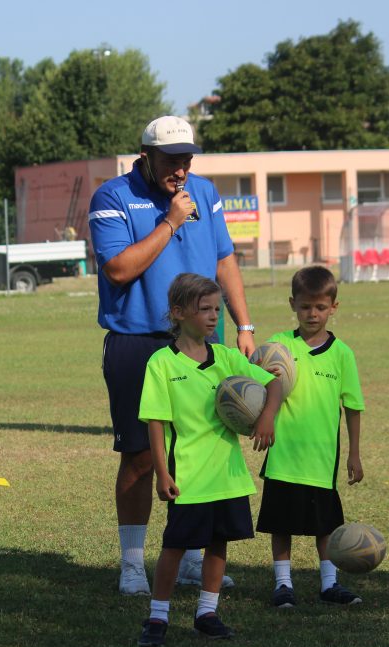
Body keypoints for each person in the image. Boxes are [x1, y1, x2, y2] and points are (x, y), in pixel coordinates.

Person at [89, 115, 257, 595]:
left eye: (186, 161)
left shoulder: (205, 192)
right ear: (145, 156)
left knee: (197, 451)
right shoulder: (112, 197)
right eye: (170, 161)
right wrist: (170, 221)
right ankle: (131, 564)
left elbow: (224, 258)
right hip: (139, 343)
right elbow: (119, 270)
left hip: (202, 342)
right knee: (141, 456)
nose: (180, 171)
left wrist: (243, 324)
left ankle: (185, 554)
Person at [136, 273, 282, 647]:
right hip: (188, 475)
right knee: (175, 546)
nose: (214, 316)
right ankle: (157, 617)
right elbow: (156, 422)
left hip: (227, 473)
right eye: (204, 309)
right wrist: (161, 472)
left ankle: (207, 612)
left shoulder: (228, 358)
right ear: (178, 312)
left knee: (219, 543)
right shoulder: (162, 364)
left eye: (217, 309)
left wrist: (266, 416)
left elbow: (274, 382)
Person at [256, 266, 365, 608]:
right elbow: (254, 385)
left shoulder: (342, 354)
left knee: (326, 526)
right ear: (293, 304)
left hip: (321, 458)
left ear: (334, 307)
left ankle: (329, 584)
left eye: (320, 307)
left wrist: (354, 453)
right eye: (305, 307)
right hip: (284, 453)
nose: (312, 314)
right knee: (281, 523)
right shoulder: (278, 346)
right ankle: (283, 584)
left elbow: (353, 406)